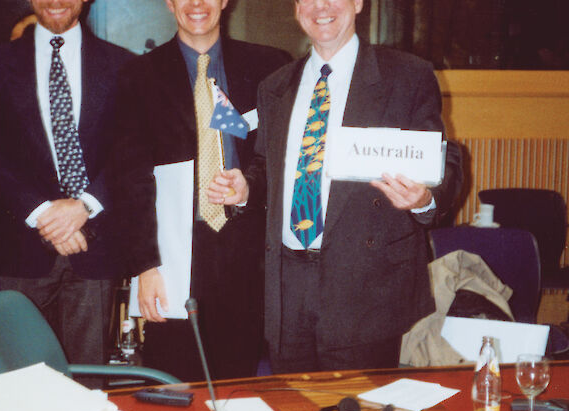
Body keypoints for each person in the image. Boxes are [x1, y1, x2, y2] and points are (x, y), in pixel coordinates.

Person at [213, 0, 462, 372]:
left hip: (363, 285)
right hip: (287, 286)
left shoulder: (406, 76)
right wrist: (246, 187)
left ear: (358, 3)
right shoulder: (276, 86)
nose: (321, 7)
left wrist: (424, 198)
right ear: (297, 8)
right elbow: (266, 165)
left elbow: (444, 162)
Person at [114, 0, 290, 381]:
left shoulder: (270, 67)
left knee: (237, 397)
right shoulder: (137, 76)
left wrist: (249, 187)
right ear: (169, 3)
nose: (197, 4)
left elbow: (278, 156)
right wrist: (145, 266)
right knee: (175, 397)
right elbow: (130, 180)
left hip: (247, 257)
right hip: (174, 258)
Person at [0, 0, 132, 380]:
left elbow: (132, 149)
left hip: (95, 243)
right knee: (23, 379)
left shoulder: (123, 65)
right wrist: (43, 213)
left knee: (87, 379)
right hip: (24, 243)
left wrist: (84, 206)